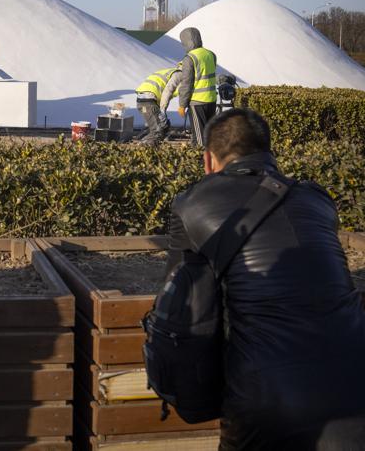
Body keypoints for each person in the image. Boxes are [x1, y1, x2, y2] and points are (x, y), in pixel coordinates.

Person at [165, 108, 365, 449]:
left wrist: (194, 402)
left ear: (208, 161)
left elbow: (186, 317)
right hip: (356, 381)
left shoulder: (192, 205)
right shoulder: (317, 200)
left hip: (265, 397)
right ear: (271, 154)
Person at [176, 27, 217, 146]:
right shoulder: (211, 54)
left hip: (197, 102)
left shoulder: (189, 59)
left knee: (200, 140)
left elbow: (186, 83)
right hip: (211, 100)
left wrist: (182, 105)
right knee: (209, 135)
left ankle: (200, 162)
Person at [134, 64, 181, 145]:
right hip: (148, 100)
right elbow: (167, 93)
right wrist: (162, 111)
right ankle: (145, 147)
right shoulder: (180, 75)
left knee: (161, 126)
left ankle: (146, 140)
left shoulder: (171, 72)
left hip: (144, 99)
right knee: (158, 130)